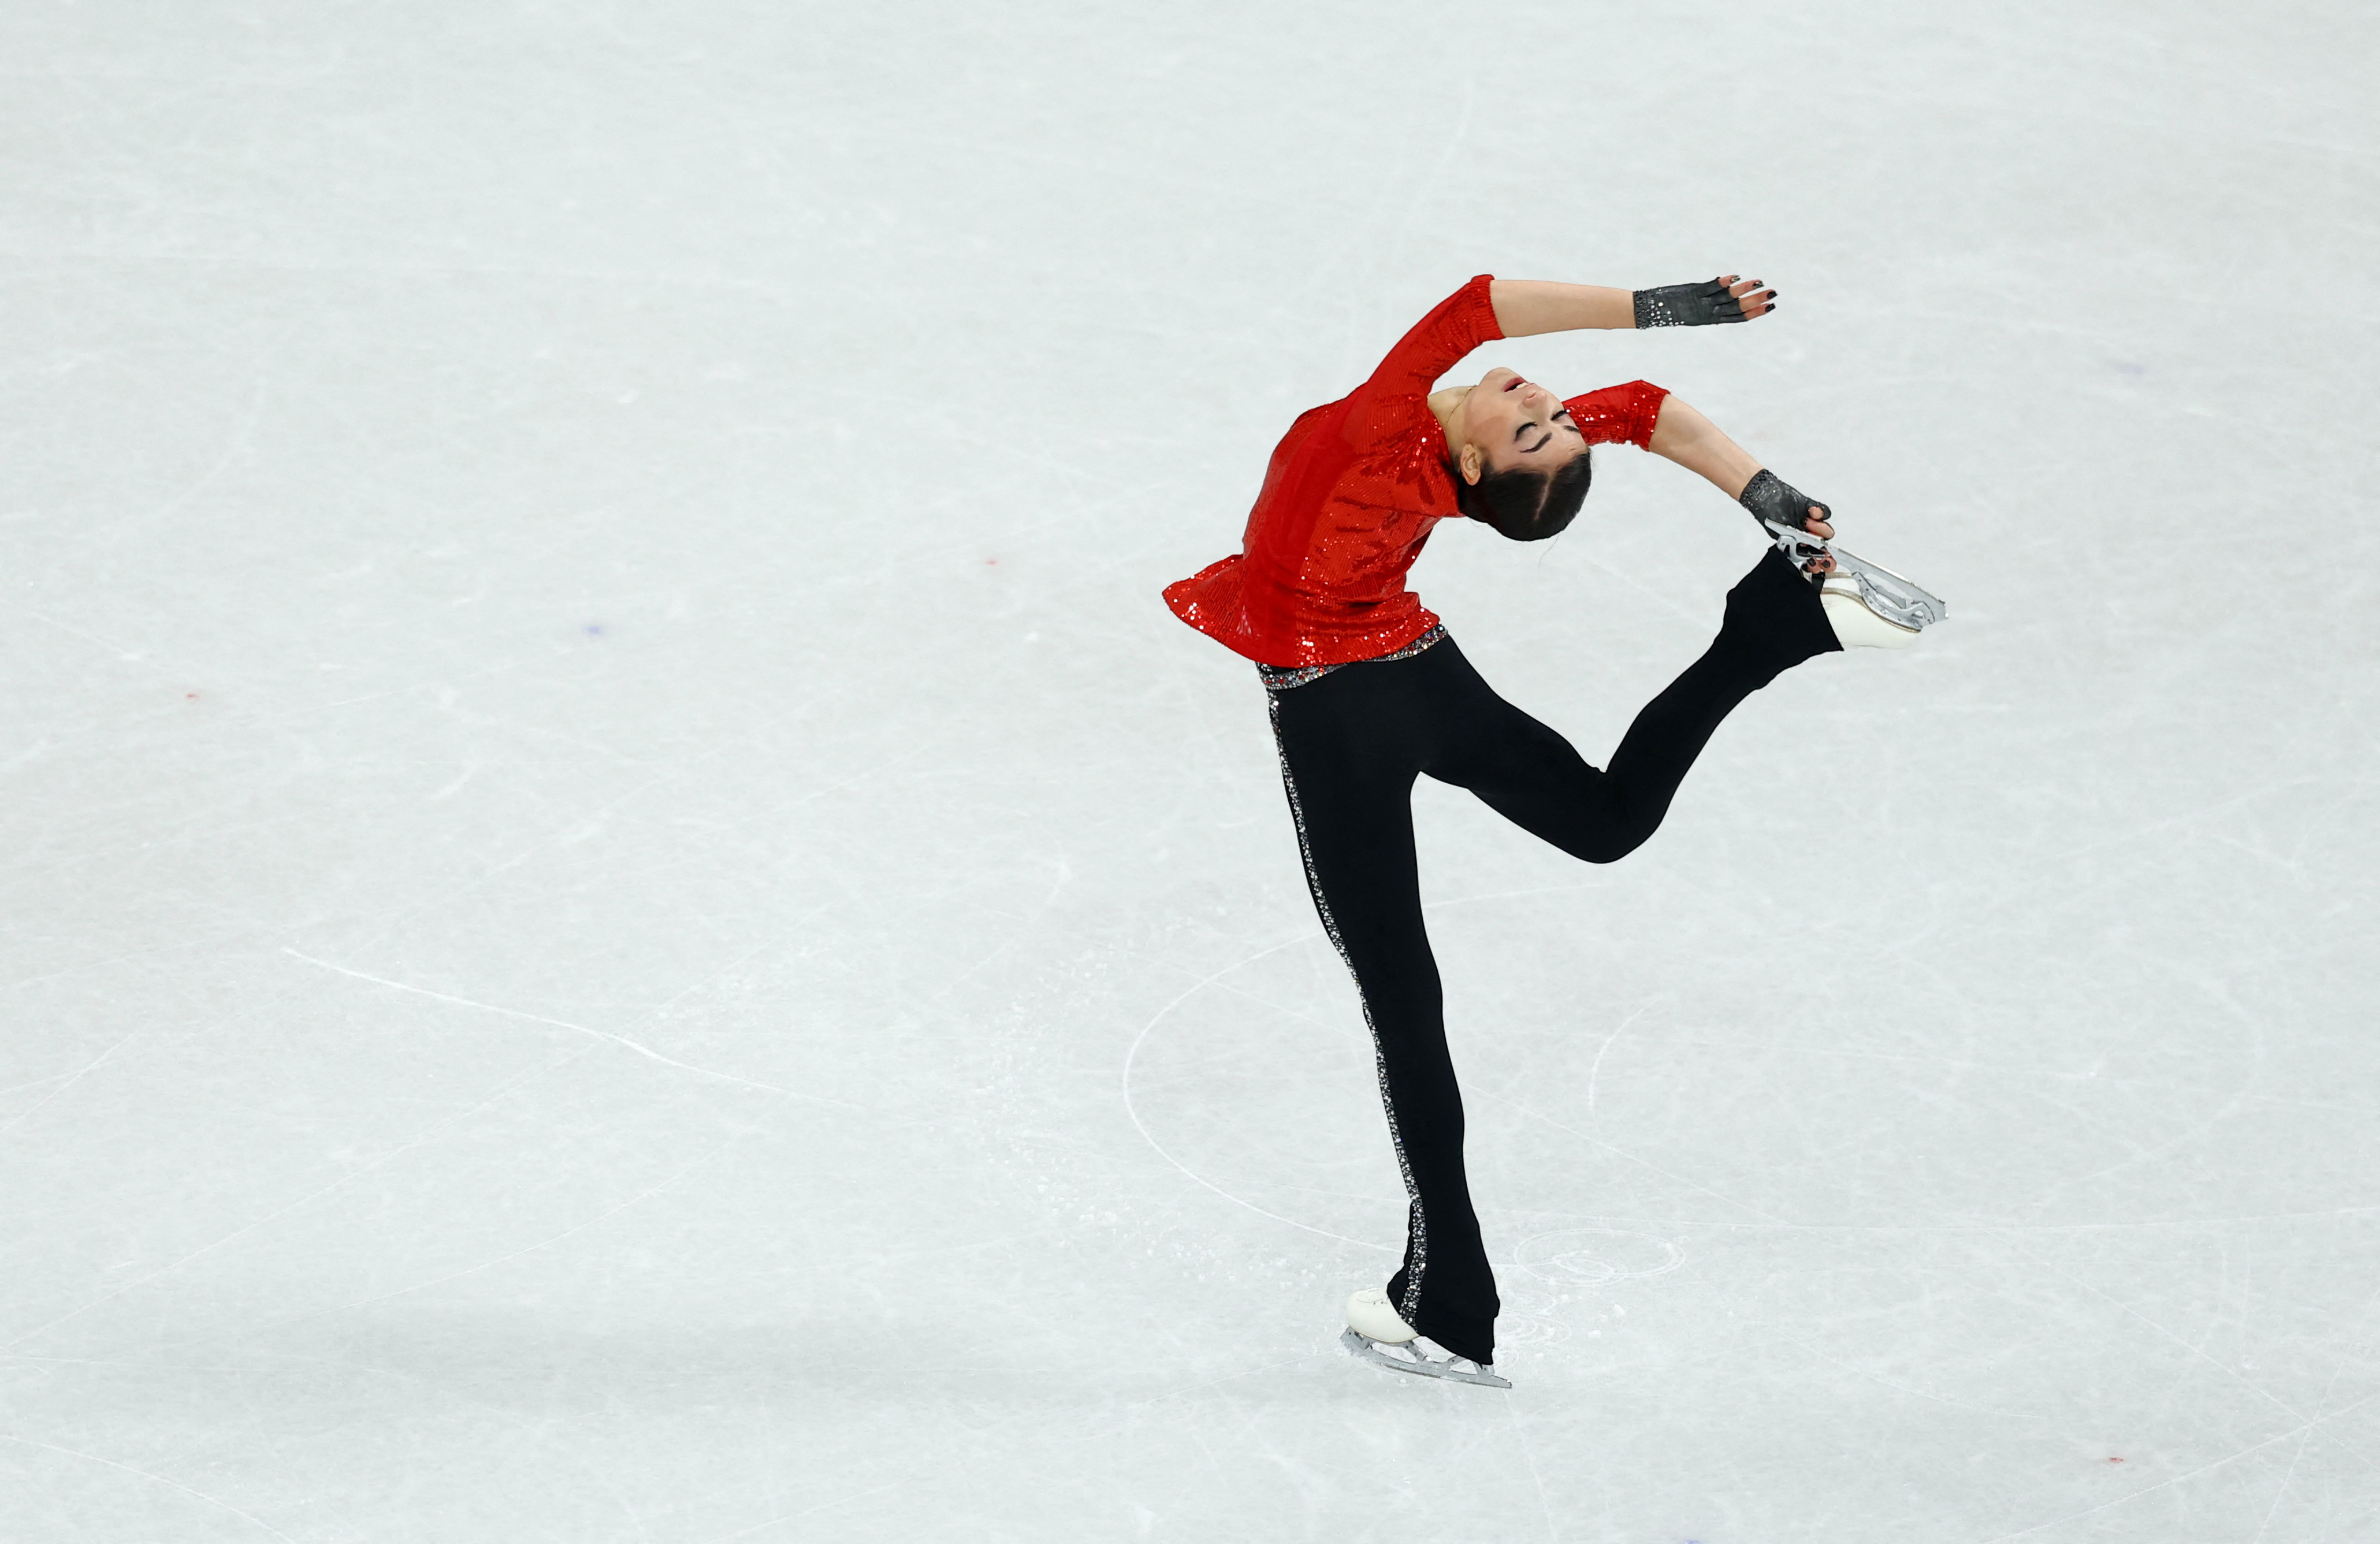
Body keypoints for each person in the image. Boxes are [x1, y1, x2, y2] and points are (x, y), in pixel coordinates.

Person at [1161, 273, 1943, 1389]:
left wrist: (1677, 320)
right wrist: (1759, 485)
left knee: (1402, 1003)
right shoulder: (1456, 440)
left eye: (1537, 422)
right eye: (1543, 417)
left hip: (1339, 717)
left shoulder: (1389, 418)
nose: (1545, 400)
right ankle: (1773, 628)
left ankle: (1448, 1305)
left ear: (1474, 468)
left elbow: (1484, 307)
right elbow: (1642, 409)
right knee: (1603, 821)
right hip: (1418, 674)